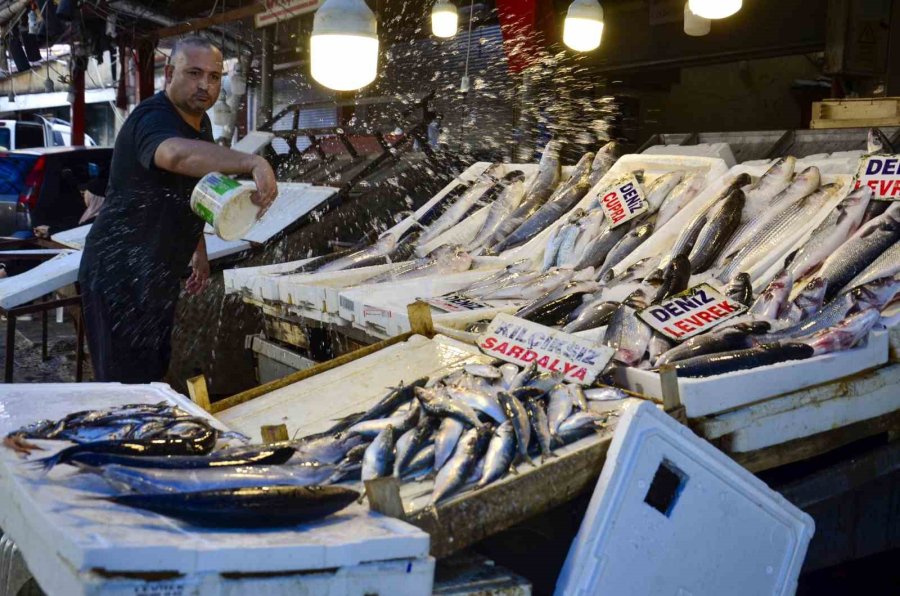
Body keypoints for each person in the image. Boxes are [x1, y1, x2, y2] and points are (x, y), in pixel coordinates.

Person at [78, 36, 277, 383]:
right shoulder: (152, 118)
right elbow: (174, 156)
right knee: (124, 387)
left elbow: (197, 189)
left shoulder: (201, 123)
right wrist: (251, 161)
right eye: (195, 73)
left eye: (214, 77)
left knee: (153, 373)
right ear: (169, 72)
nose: (205, 85)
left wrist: (198, 250)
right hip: (119, 273)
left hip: (158, 273)